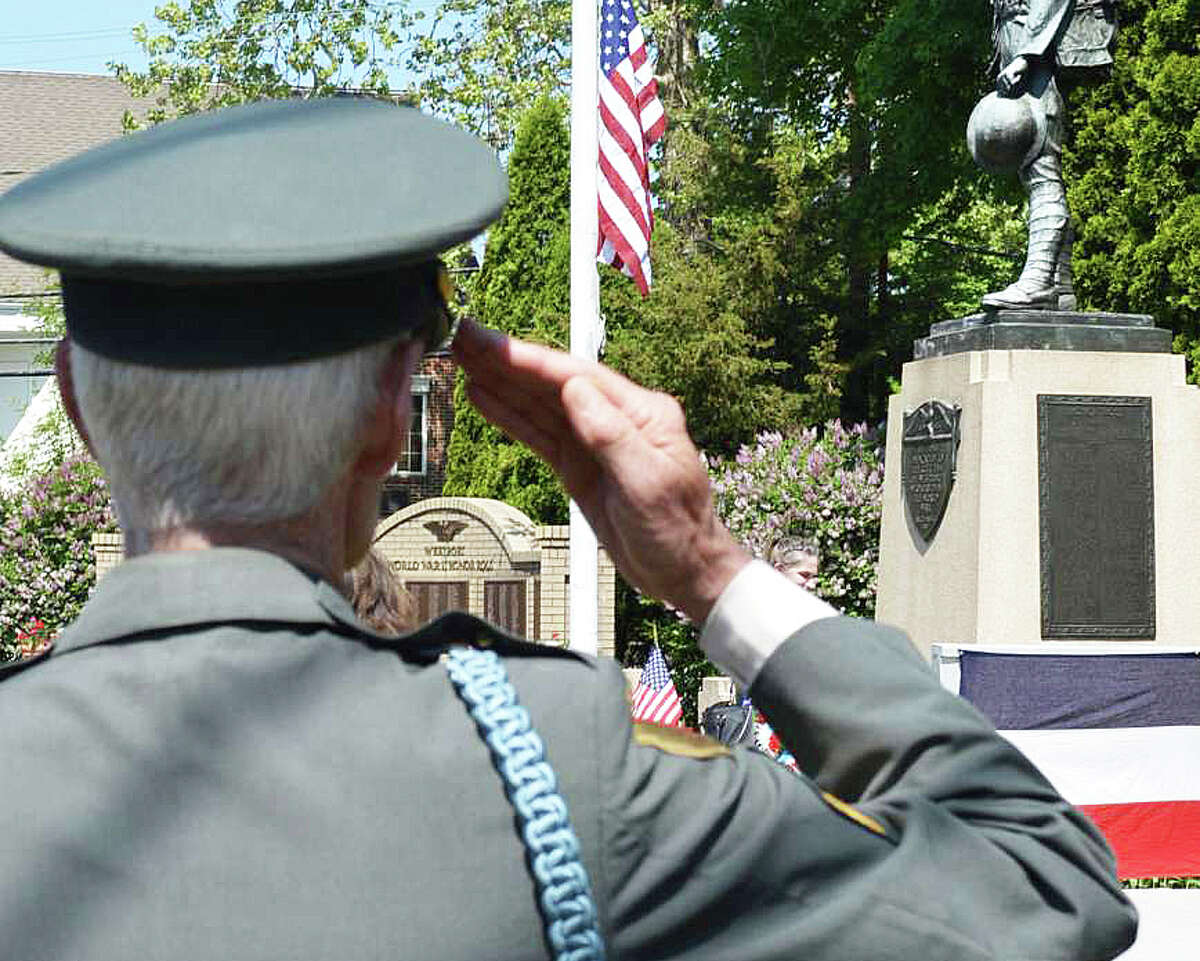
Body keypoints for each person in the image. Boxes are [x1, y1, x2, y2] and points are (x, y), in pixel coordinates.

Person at [0, 97, 1135, 959]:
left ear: (82, 405)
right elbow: (1041, 888)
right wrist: (707, 569)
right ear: (393, 417)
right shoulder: (554, 772)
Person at [980, 0, 1121, 311]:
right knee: (1034, 166)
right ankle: (1059, 289)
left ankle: (1038, 280)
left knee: (1040, 164)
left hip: (1039, 60)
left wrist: (1026, 56)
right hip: (1023, 54)